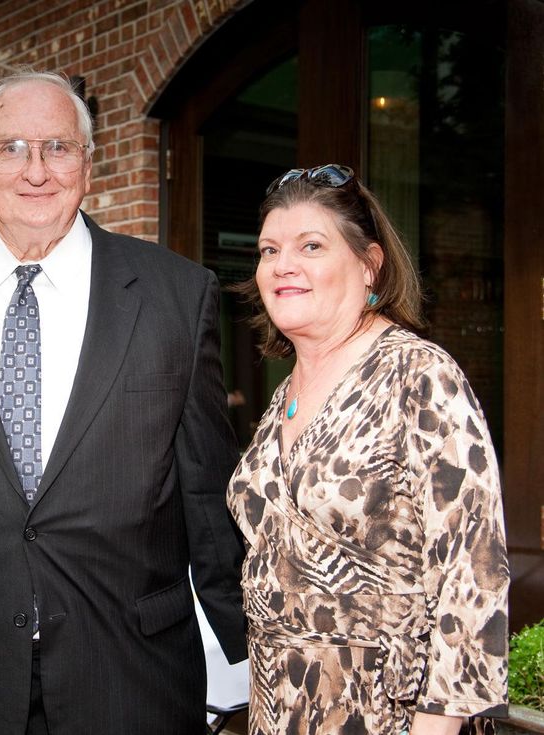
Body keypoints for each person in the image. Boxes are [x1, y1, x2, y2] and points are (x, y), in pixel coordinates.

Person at [0, 70, 246, 734]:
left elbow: (209, 494)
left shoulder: (176, 295)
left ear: (88, 164)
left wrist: (251, 653)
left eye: (58, 147)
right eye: (11, 147)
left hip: (132, 677)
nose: (35, 169)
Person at [227, 165, 509, 735]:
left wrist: (438, 725)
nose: (283, 266)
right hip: (278, 707)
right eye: (269, 250)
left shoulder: (418, 374)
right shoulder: (284, 392)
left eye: (312, 245)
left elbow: (473, 571)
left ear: (368, 262)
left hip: (387, 714)